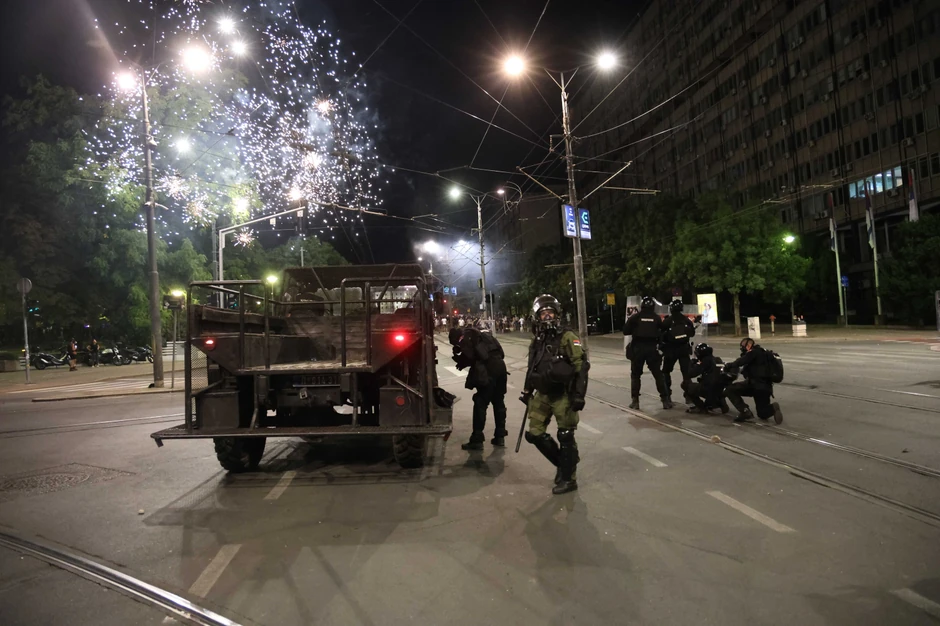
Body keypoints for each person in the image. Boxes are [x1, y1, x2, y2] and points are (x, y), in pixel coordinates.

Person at [520, 294, 589, 495]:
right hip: (542, 393)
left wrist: (579, 395)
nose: (547, 316)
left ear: (557, 314)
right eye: (543, 313)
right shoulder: (537, 340)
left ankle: (569, 479)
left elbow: (581, 367)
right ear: (537, 316)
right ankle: (564, 463)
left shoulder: (568, 336)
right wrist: (526, 390)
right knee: (534, 434)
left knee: (565, 434)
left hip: (563, 394)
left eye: (550, 312)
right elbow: (532, 366)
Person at [450, 322, 508, 450]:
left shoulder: (466, 337)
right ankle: (500, 437)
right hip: (501, 367)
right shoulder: (482, 335)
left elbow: (470, 356)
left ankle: (477, 439)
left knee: (481, 403)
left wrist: (459, 359)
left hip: (488, 370)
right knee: (498, 402)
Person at [623, 296, 671, 410]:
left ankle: (635, 401)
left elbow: (625, 331)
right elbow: (662, 330)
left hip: (638, 348)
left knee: (635, 375)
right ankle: (665, 400)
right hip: (652, 348)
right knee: (658, 375)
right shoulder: (656, 318)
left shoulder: (635, 317)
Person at [723, 338, 783, 424]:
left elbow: (741, 361)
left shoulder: (754, 352)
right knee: (762, 413)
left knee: (730, 389)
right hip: (766, 387)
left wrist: (729, 365)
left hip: (754, 385)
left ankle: (745, 411)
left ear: (748, 346)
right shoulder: (765, 354)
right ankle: (773, 408)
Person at [661, 299, 695, 405]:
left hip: (670, 350)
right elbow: (692, 333)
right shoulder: (686, 320)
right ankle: (688, 396)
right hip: (684, 350)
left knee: (666, 372)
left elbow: (661, 334)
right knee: (686, 373)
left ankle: (667, 395)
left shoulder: (667, 321)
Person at [682, 343, 728, 414]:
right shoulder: (717, 359)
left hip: (709, 389)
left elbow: (690, 374)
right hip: (720, 389)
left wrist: (692, 364)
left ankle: (701, 407)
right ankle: (719, 403)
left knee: (686, 385)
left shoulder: (705, 361)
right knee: (714, 386)